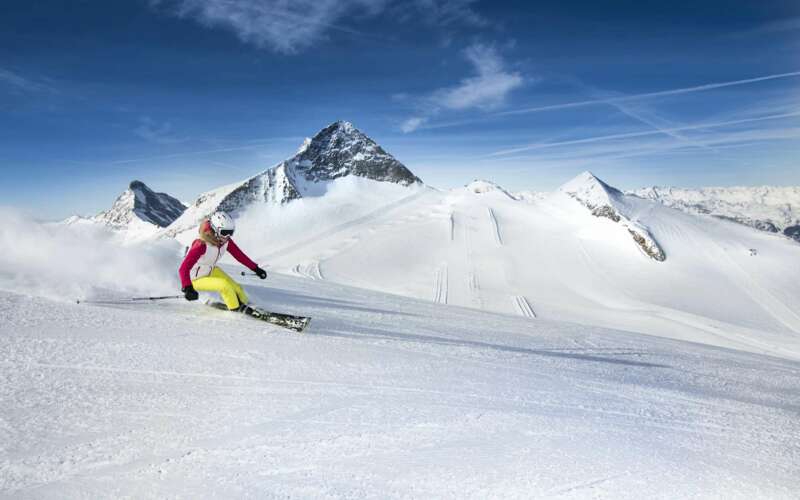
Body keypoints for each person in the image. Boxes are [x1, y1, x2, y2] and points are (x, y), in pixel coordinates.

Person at [178, 211, 267, 311]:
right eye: (224, 232)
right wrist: (188, 288)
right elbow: (183, 269)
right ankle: (235, 309)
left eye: (230, 232)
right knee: (224, 286)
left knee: (237, 288)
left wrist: (256, 269)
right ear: (215, 230)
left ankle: (246, 304)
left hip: (210, 271)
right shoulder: (201, 245)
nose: (227, 236)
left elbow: (239, 256)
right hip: (194, 278)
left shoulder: (225, 241)